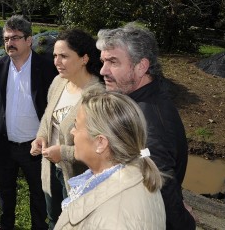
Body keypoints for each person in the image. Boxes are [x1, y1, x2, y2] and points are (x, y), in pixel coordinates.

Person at [96, 23, 196, 229]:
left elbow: (161, 183)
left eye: (113, 62)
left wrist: (186, 223)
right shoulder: (135, 101)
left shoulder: (149, 119)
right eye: (103, 61)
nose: (103, 70)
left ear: (141, 66)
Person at [0, 15, 57, 230]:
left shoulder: (46, 68)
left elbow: (53, 107)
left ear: (29, 40)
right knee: (5, 190)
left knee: (38, 194)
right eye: (6, 38)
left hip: (35, 146)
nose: (9, 43)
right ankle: (6, 226)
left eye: (15, 38)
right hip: (4, 144)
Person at [54, 88, 165, 229]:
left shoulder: (114, 220)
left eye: (76, 125)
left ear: (100, 143)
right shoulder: (139, 174)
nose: (72, 131)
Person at [31, 29, 103, 229]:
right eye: (55, 55)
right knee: (54, 219)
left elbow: (98, 148)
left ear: (84, 59)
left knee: (73, 224)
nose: (56, 61)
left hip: (77, 176)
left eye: (64, 56)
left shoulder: (96, 96)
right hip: (51, 167)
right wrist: (41, 137)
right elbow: (48, 117)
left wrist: (62, 152)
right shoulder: (58, 82)